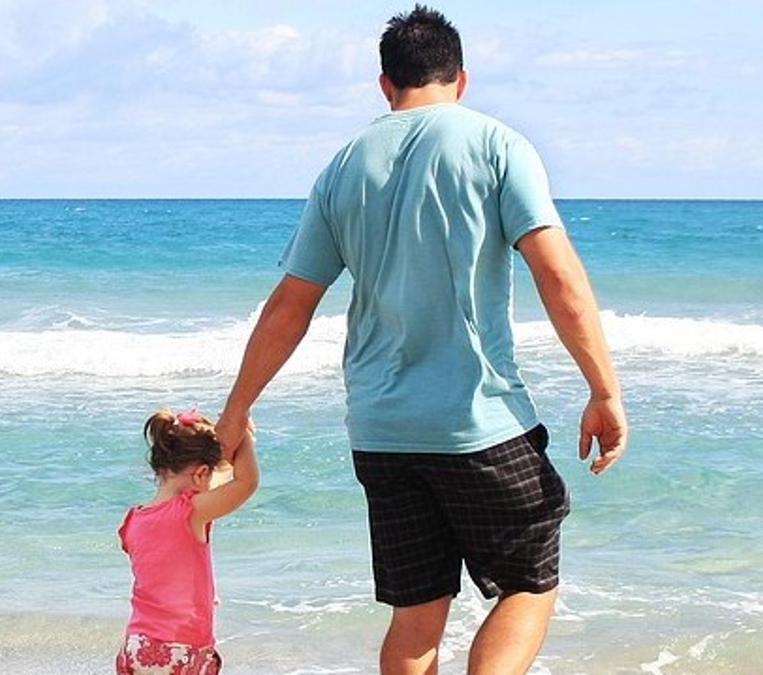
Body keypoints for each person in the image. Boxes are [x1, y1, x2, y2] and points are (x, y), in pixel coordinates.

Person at [216, 5, 627, 674]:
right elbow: (558, 273)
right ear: (461, 79)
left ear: (385, 85)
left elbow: (290, 304)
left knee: (417, 612)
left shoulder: (344, 166)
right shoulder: (497, 145)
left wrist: (237, 408)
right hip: (477, 423)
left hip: (381, 430)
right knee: (531, 580)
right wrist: (604, 389)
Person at [116, 408, 258, 675]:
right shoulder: (189, 512)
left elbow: (165, 565)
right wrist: (245, 437)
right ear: (201, 474)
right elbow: (246, 483)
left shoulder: (133, 521)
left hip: (136, 647)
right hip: (182, 649)